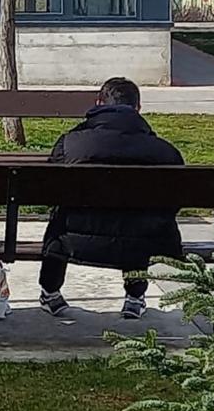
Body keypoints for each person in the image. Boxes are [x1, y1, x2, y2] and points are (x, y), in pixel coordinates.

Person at [38, 77, 184, 320]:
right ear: (138, 108)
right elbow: (175, 201)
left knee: (60, 219)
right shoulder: (165, 152)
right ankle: (135, 297)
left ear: (99, 103)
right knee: (139, 222)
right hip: (146, 241)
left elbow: (50, 191)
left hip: (73, 239)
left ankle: (50, 291)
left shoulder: (71, 144)